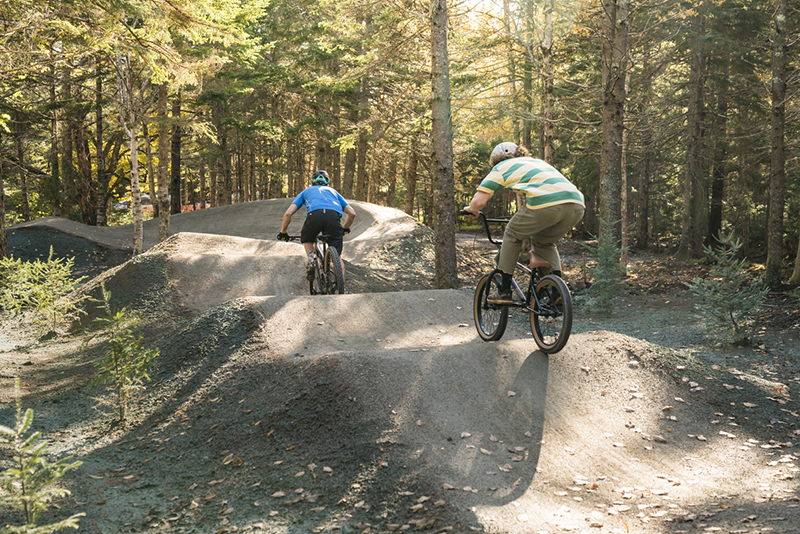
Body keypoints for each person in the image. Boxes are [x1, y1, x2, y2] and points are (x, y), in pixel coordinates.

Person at [462, 142, 585, 304]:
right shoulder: (537, 162)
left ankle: (503, 290)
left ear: (495, 161)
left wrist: (473, 210)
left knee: (512, 232)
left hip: (547, 203)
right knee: (544, 242)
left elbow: (478, 202)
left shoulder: (502, 167)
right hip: (576, 204)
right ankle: (556, 290)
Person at [277, 170, 356, 280]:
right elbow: (352, 213)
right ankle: (341, 291)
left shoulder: (306, 191)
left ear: (312, 182)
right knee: (337, 257)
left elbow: (288, 213)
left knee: (308, 239)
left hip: (314, 216)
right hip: (333, 218)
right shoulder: (333, 192)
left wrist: (283, 232)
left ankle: (311, 258)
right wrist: (345, 228)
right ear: (327, 182)